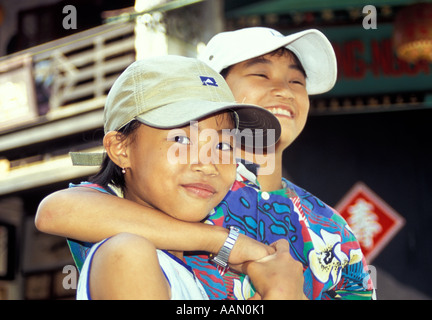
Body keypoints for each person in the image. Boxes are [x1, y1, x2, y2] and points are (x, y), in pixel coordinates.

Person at [36, 27, 374, 300]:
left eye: (296, 81)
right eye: (260, 74)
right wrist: (226, 243)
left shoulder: (329, 224)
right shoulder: (172, 200)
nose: (283, 91)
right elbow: (59, 210)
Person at [65, 55, 300, 299]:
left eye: (223, 146)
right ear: (121, 149)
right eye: (181, 140)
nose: (209, 165)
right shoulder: (126, 253)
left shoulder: (188, 275)